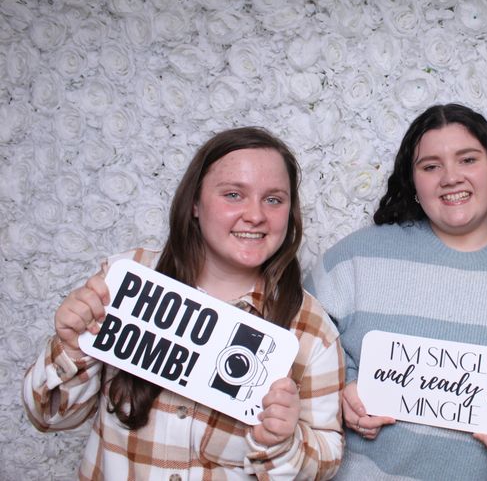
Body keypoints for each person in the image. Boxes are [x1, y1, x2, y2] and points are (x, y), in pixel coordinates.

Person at [23, 127, 345, 480]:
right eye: (234, 194)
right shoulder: (125, 280)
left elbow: (327, 458)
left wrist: (286, 442)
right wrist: (72, 347)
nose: (255, 215)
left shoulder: (312, 330)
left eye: (273, 199)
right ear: (194, 203)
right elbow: (49, 416)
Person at [306, 103, 487, 479]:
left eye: (468, 159)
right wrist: (339, 392)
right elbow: (300, 348)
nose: (450, 177)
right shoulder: (354, 258)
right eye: (430, 166)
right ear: (413, 182)